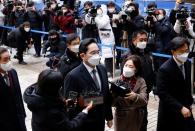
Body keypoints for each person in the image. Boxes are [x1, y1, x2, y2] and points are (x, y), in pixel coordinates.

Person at [62, 38, 113, 131]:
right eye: (93, 53)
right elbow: (70, 105)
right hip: (83, 124)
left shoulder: (102, 69)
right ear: (82, 55)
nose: (97, 55)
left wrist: (109, 116)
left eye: (98, 52)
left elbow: (106, 95)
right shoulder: (73, 76)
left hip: (100, 122)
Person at [23, 69, 93, 131]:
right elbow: (69, 127)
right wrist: (84, 112)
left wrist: (63, 103)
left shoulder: (37, 95)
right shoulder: (52, 112)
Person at [156, 37, 195, 131]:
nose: (185, 54)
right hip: (170, 112)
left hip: (186, 109)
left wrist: (190, 102)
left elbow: (187, 86)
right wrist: (180, 107)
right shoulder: (164, 69)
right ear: (173, 52)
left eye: (186, 51)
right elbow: (162, 93)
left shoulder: (187, 64)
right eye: (181, 52)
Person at [123, 30, 154, 131]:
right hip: (131, 96)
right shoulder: (128, 56)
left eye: (145, 39)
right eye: (141, 40)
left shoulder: (146, 53)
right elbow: (124, 78)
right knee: (131, 123)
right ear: (134, 40)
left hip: (144, 94)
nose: (144, 42)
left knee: (143, 121)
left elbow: (150, 71)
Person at [112, 55, 147, 131]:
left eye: (131, 66)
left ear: (136, 69)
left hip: (136, 117)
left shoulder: (141, 81)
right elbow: (111, 103)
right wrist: (114, 93)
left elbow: (144, 100)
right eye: (126, 65)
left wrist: (135, 96)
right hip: (121, 116)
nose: (127, 68)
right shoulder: (116, 81)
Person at [0, 47, 27, 131]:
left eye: (9, 58)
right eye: (5, 60)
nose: (8, 62)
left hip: (18, 118)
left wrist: (23, 113)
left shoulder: (13, 72)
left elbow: (18, 94)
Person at [95, 4, 115, 76]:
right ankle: (108, 70)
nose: (98, 10)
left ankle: (110, 71)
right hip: (103, 38)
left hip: (108, 38)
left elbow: (101, 25)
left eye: (100, 9)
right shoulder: (98, 17)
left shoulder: (106, 17)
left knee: (109, 54)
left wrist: (96, 19)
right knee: (106, 55)